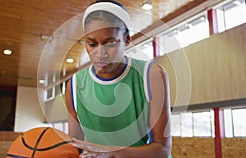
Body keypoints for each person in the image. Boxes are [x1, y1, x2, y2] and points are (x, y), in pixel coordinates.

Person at [65, 0, 172, 157]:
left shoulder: (152, 75)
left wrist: (112, 153)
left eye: (110, 43)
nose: (101, 54)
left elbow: (162, 149)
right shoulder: (74, 86)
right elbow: (76, 148)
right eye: (92, 44)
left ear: (127, 39)